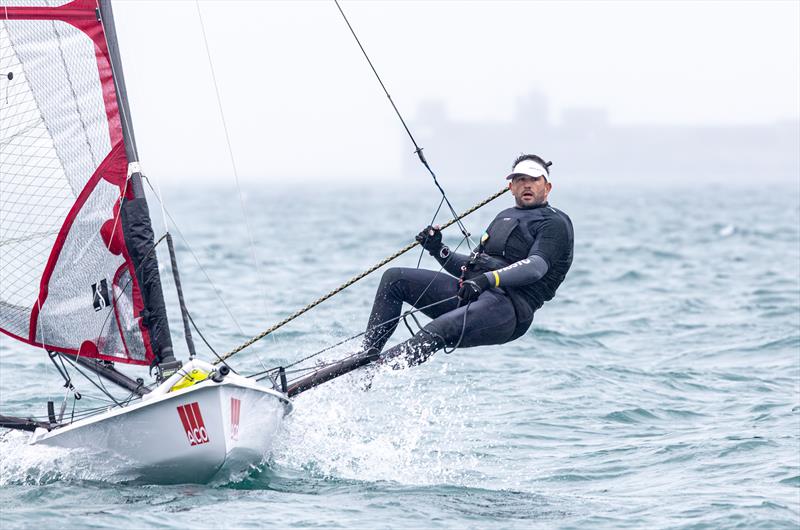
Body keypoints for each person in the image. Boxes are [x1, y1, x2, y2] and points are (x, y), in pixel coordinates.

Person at [362, 153, 574, 367]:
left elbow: (535, 267)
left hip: (509, 310)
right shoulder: (504, 216)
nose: (527, 185)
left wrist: (486, 280)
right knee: (394, 278)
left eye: (534, 179)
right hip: (474, 295)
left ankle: (373, 371)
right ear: (511, 187)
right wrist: (438, 250)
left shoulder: (555, 223)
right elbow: (470, 268)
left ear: (547, 187)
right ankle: (366, 355)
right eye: (520, 179)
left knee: (437, 330)